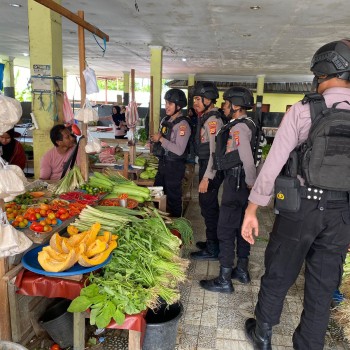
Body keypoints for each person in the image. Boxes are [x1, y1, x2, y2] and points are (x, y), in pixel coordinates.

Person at [241, 39, 350, 350]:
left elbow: (273, 164)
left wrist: (252, 210)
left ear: (321, 71)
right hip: (343, 214)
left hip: (301, 208)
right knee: (323, 285)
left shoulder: (304, 110)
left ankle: (262, 334)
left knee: (280, 270)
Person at [200, 87, 257, 293]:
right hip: (240, 183)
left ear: (236, 105)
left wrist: (251, 183)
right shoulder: (246, 124)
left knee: (225, 230)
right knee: (242, 227)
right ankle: (241, 269)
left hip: (237, 184)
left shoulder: (238, 128)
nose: (223, 106)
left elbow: (247, 159)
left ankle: (224, 278)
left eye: (225, 103)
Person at [190, 82, 225, 260]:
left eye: (198, 98)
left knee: (209, 208)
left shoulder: (213, 120)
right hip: (205, 166)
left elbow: (214, 152)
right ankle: (213, 241)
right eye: (194, 98)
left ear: (208, 99)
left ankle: (213, 249)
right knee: (207, 207)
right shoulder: (205, 116)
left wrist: (206, 177)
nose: (194, 102)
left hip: (210, 169)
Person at [151, 89, 191, 217]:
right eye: (166, 103)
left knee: (174, 198)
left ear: (178, 106)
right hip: (164, 163)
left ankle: (177, 227)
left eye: (170, 104)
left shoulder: (183, 125)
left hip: (174, 166)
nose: (166, 106)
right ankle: (159, 222)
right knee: (156, 193)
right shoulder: (166, 120)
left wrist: (161, 139)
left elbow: (179, 150)